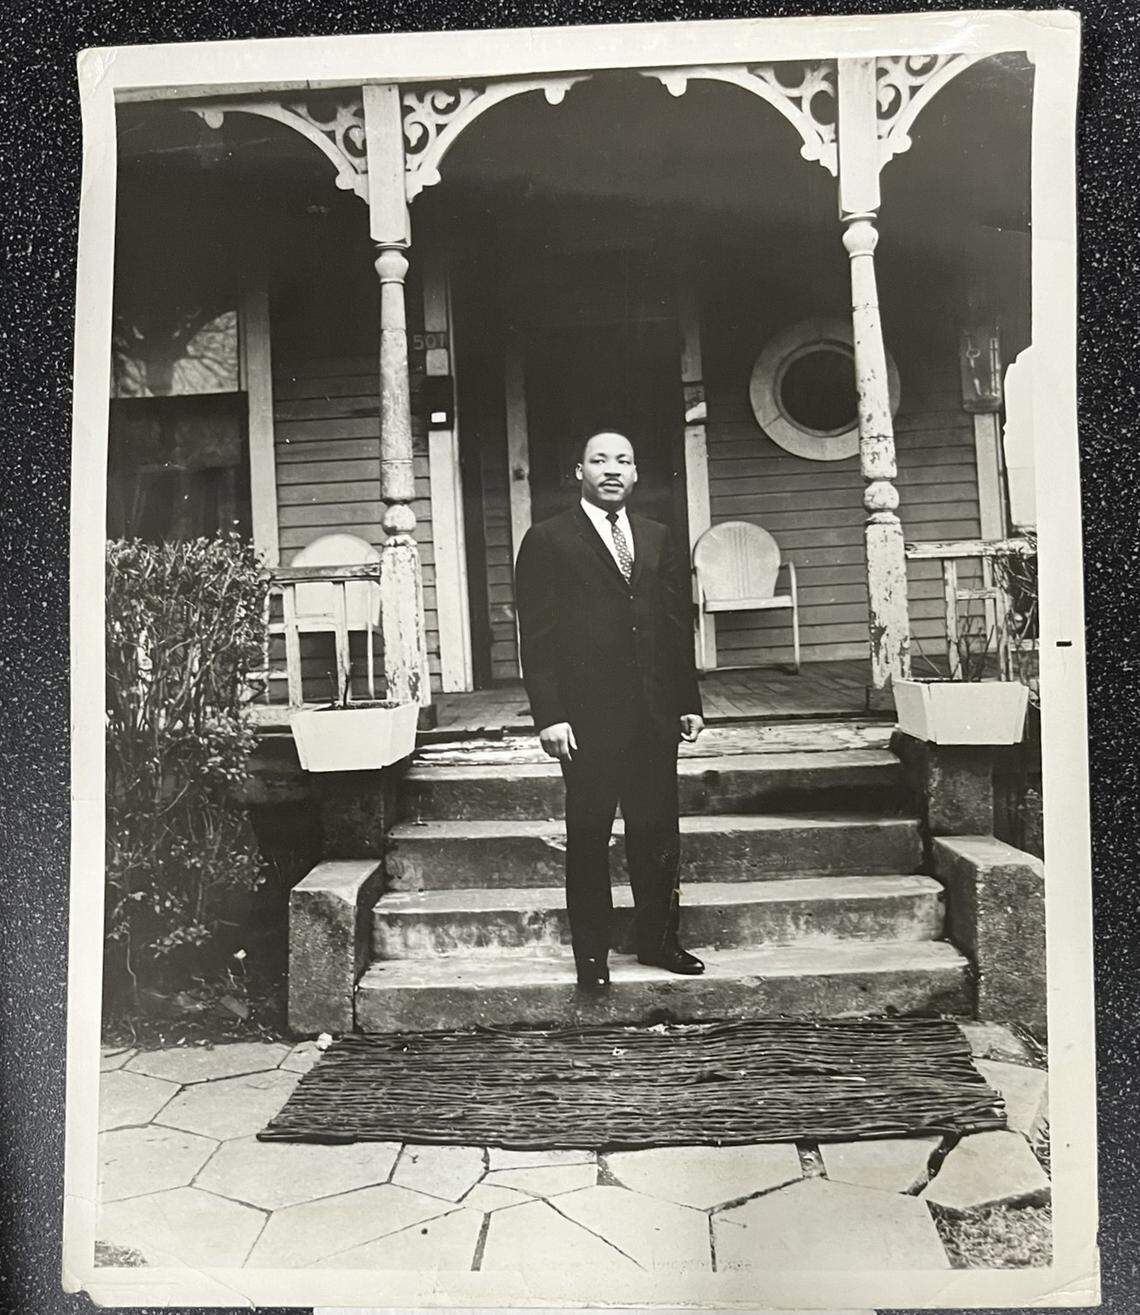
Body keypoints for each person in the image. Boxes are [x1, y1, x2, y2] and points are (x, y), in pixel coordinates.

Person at [513, 429, 706, 993]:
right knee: (590, 838)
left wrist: (686, 703)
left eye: (623, 459)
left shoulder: (657, 536)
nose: (612, 469)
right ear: (579, 471)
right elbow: (539, 638)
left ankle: (658, 942)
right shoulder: (548, 539)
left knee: (656, 833)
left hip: (653, 716)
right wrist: (549, 715)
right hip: (586, 722)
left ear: (637, 472)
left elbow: (674, 627)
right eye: (599, 459)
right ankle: (591, 959)